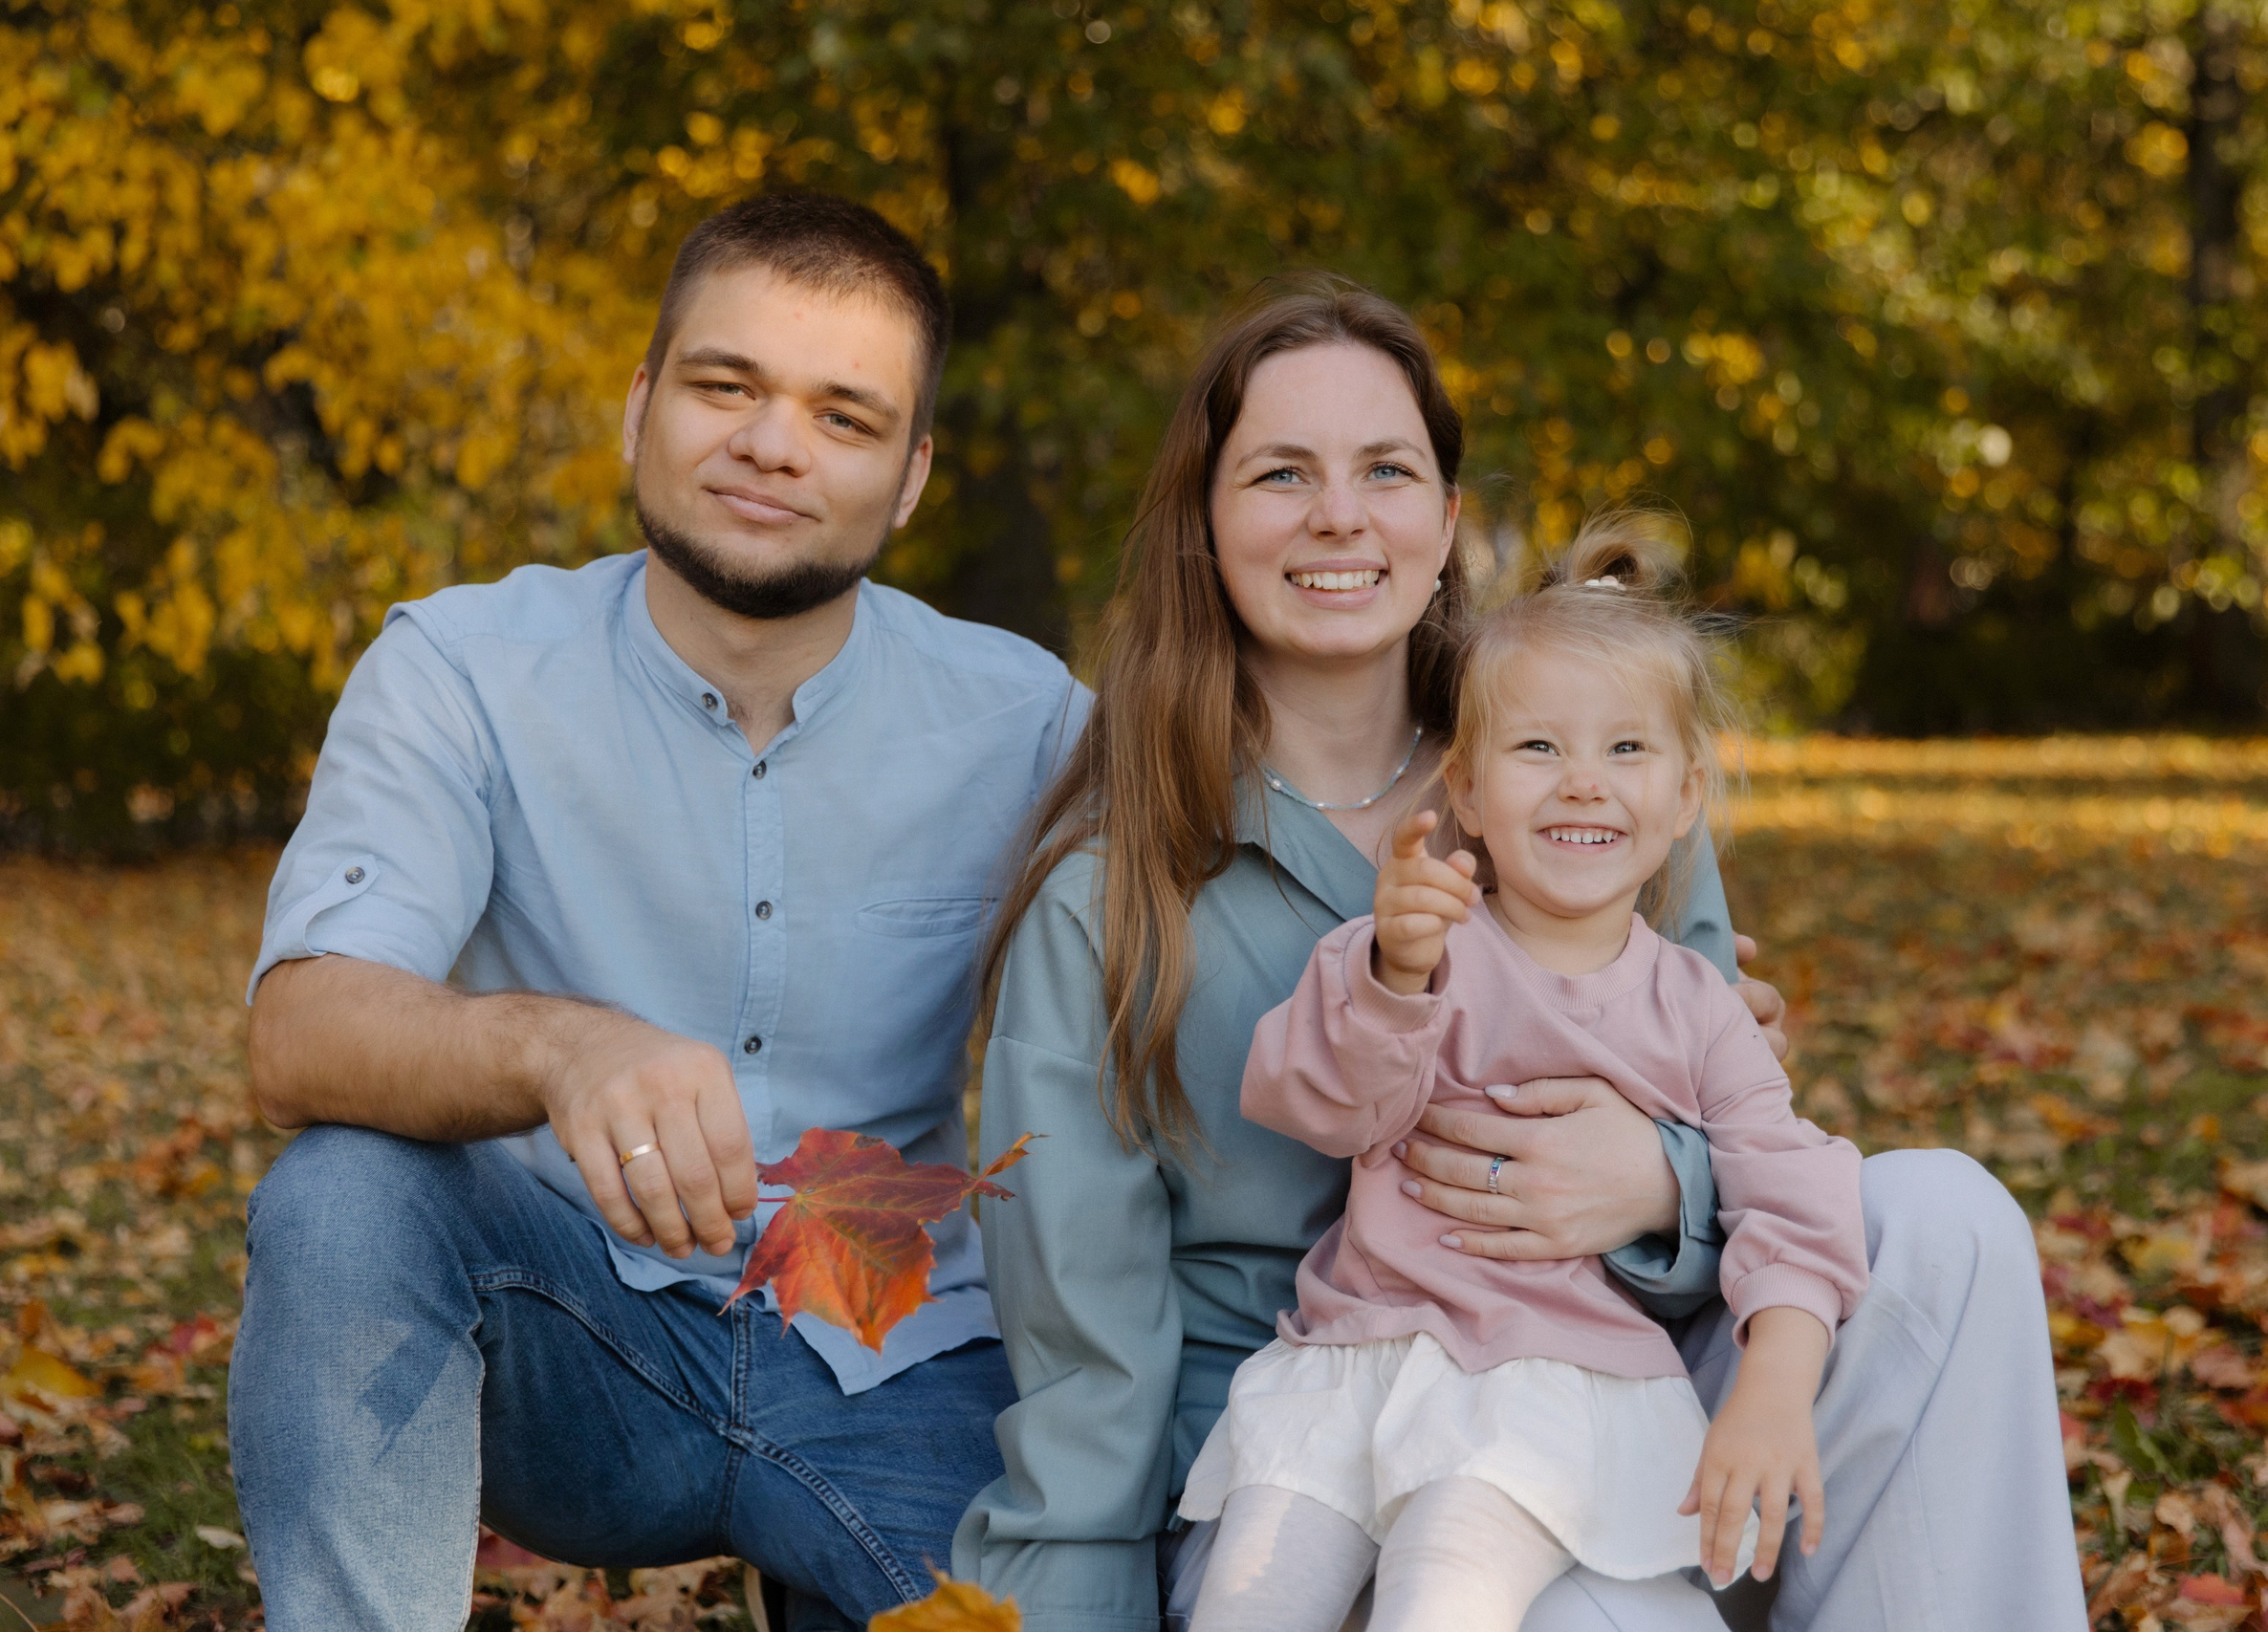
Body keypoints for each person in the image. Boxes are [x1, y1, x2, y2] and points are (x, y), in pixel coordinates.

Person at [953, 279, 2087, 1631]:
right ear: (1206, 521)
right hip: (1316, 1476)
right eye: (1279, 473)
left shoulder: (1588, 784)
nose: (1339, 513)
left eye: (1387, 468)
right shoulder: (1112, 890)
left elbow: (1744, 1118)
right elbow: (1086, 1358)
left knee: (1948, 1218)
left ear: (1443, 520)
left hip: (1609, 1401)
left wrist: (1660, 1182)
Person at [230, 191, 1085, 1631]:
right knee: (342, 1196)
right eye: (726, 385)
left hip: (902, 1353)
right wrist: (564, 1048)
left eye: (844, 416)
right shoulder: (461, 666)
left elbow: (1228, 958)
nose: (771, 444)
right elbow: (301, 1026)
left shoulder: (1029, 721)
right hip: (570, 1330)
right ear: (640, 406)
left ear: (913, 474)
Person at [1178, 518, 1868, 1632]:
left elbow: (1794, 1195)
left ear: (1686, 796)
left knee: (1438, 1604)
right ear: (1465, 784)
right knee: (1246, 1607)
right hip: (1350, 1366)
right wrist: (1394, 972)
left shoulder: (1694, 1007)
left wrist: (1773, 1389)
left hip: (1538, 1393)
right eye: (1539, 749)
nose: (1583, 786)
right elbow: (1320, 1104)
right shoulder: (1419, 947)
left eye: (1626, 752)